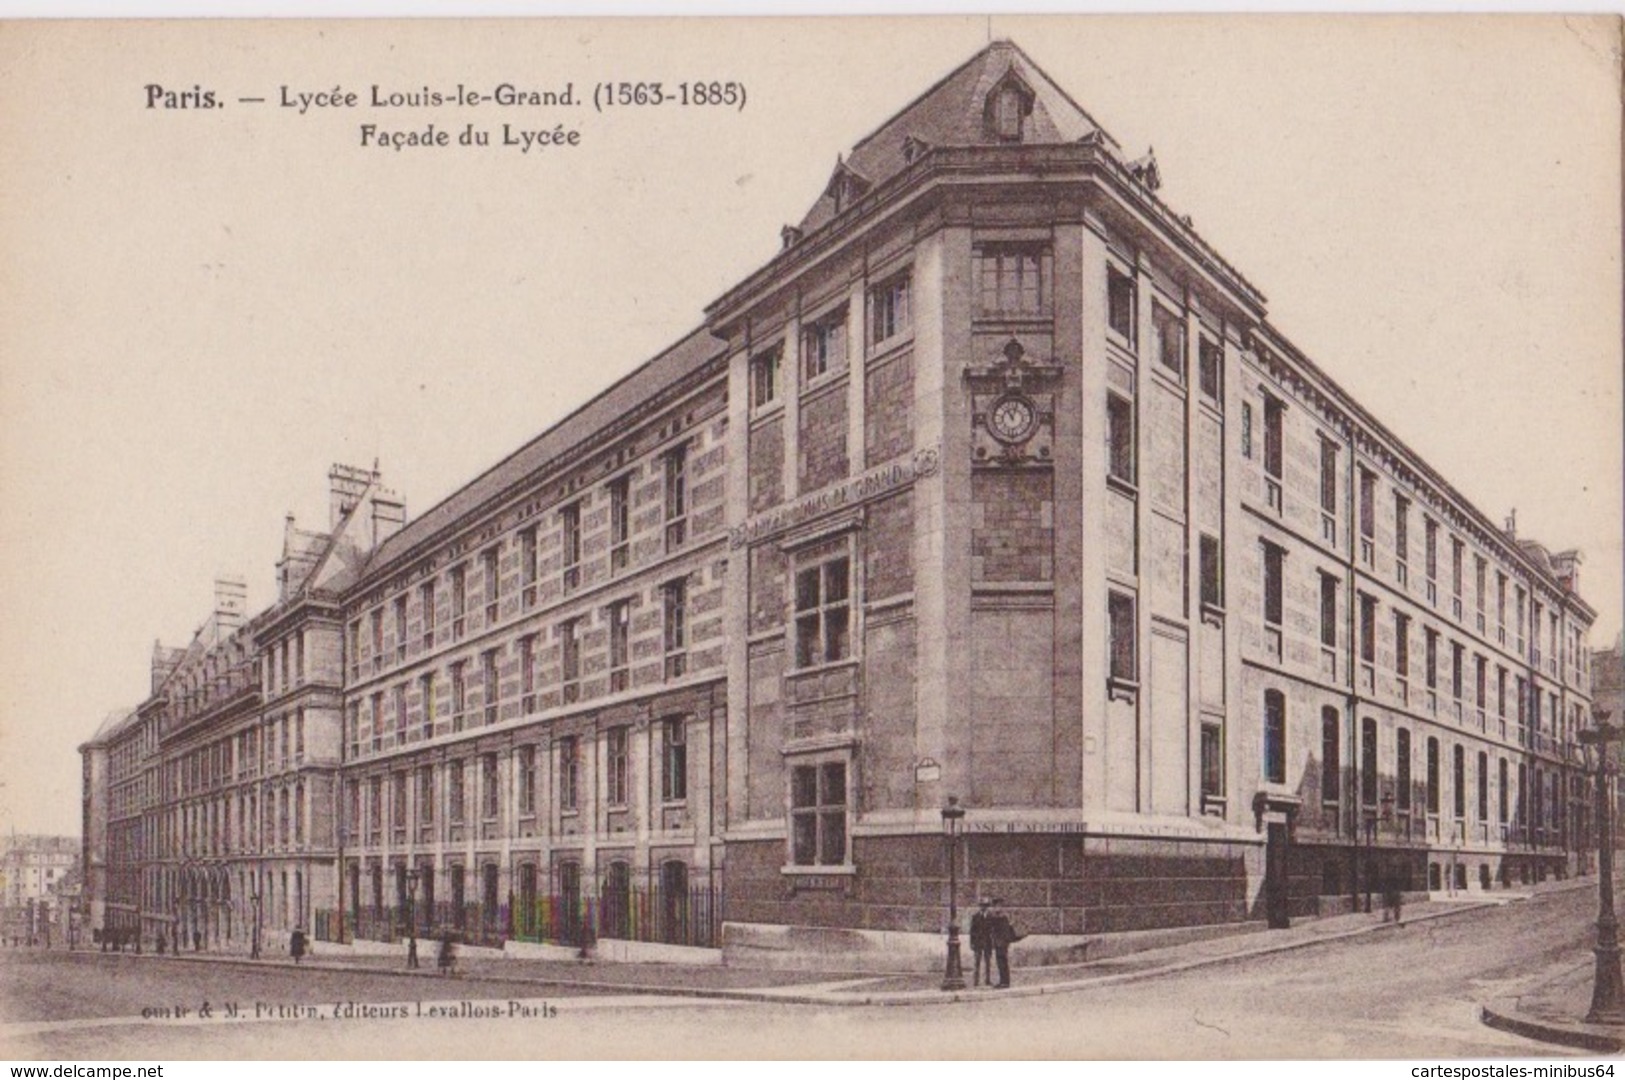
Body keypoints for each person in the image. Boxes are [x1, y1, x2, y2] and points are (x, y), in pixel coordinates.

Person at [987, 898, 1024, 989]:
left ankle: (1005, 982)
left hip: (1002, 943)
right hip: (999, 943)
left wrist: (1003, 942)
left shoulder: (1002, 917)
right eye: (995, 906)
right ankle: (1003, 981)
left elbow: (1004, 932)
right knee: (1001, 962)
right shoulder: (997, 917)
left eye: (997, 906)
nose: (996, 908)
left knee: (1002, 962)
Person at [969, 898, 993, 988]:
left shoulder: (991, 917)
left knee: (988, 962)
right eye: (982, 905)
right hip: (978, 942)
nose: (984, 907)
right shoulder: (975, 917)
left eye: (986, 906)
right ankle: (976, 981)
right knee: (977, 962)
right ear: (980, 906)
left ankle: (987, 980)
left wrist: (992, 942)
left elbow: (992, 931)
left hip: (987, 942)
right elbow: (972, 931)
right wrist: (972, 943)